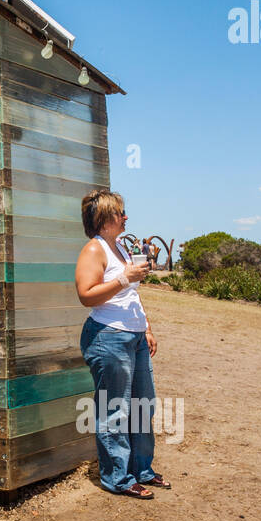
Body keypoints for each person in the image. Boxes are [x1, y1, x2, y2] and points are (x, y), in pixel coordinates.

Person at [74, 190, 165, 499]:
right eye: (120, 213)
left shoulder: (121, 248)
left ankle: (142, 469)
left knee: (143, 404)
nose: (125, 217)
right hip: (108, 336)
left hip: (134, 336)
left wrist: (147, 327)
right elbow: (86, 295)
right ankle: (117, 477)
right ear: (104, 219)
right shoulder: (93, 250)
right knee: (115, 409)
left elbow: (130, 295)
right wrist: (125, 278)